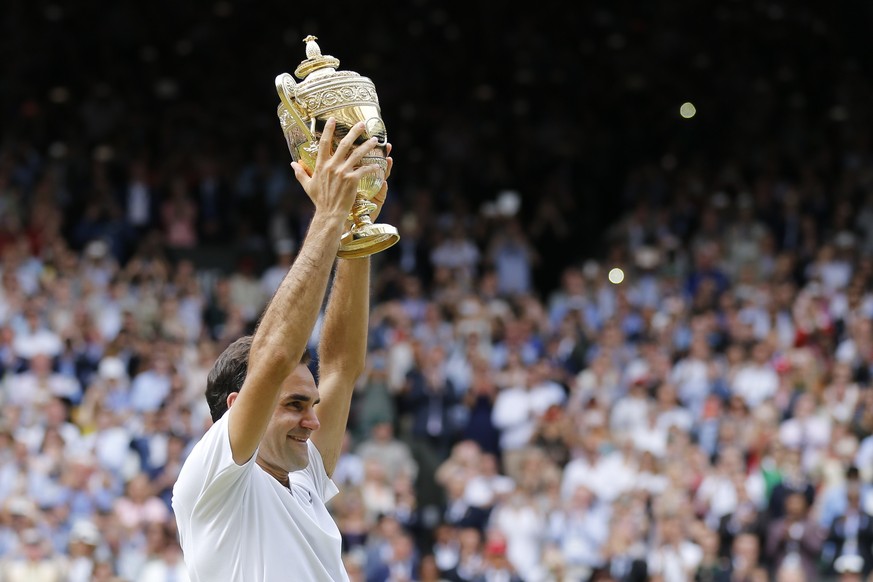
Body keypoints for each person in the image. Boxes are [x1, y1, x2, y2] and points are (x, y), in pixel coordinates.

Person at [172, 118, 390, 581]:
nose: (313, 420)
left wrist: (356, 226)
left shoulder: (304, 472)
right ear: (238, 406)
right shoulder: (218, 481)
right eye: (294, 404)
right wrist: (328, 216)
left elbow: (341, 367)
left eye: (309, 404)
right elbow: (271, 359)